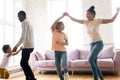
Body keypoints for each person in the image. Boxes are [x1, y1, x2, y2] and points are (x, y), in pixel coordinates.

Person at [65, 6, 120, 80]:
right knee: (94, 62)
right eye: (86, 14)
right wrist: (68, 15)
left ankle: (95, 78)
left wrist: (117, 12)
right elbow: (75, 20)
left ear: (93, 14)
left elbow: (111, 20)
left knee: (90, 60)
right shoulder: (86, 22)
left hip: (99, 43)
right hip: (92, 44)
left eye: (88, 14)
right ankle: (101, 78)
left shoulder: (98, 21)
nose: (86, 15)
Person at [12, 10, 36, 80]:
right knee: (23, 63)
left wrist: (16, 46)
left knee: (24, 63)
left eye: (19, 17)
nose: (18, 18)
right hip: (29, 46)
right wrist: (23, 45)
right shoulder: (29, 23)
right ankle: (28, 77)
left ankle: (32, 78)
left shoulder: (24, 22)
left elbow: (23, 36)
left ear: (23, 16)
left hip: (28, 47)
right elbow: (28, 36)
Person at [51, 13, 69, 80]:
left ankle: (66, 76)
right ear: (58, 26)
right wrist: (62, 16)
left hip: (63, 52)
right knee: (58, 68)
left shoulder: (64, 34)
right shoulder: (54, 31)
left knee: (64, 64)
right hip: (56, 52)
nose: (64, 26)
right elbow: (55, 22)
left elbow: (67, 43)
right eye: (62, 25)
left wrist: (61, 42)